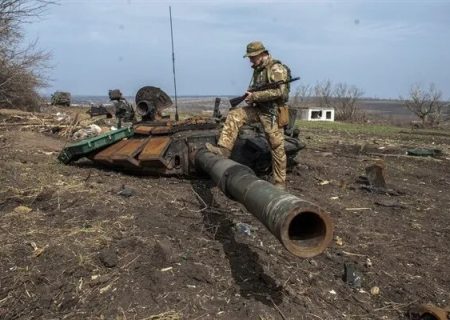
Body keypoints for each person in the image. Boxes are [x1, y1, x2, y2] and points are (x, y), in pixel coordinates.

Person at [206, 41, 291, 189]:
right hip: (258, 109)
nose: (250, 60)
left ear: (262, 54)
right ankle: (224, 149)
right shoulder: (258, 70)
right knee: (235, 115)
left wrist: (255, 96)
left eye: (252, 57)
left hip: (272, 114)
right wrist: (250, 95)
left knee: (277, 148)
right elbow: (256, 89)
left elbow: (280, 92)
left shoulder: (276, 68)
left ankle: (279, 183)